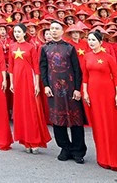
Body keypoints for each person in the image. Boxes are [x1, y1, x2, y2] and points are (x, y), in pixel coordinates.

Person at [81, 30, 117, 171]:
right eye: (89, 40)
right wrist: (85, 92)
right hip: (93, 93)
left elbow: (116, 77)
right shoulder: (87, 57)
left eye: (93, 40)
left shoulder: (108, 57)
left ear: (100, 42)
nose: (91, 43)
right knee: (98, 125)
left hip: (108, 93)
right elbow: (85, 76)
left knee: (111, 125)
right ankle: (103, 158)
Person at [39, 21, 87, 164]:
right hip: (54, 89)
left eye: (57, 29)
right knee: (57, 120)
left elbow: (77, 69)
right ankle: (65, 148)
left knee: (76, 120)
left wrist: (78, 88)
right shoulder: (44, 49)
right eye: (52, 29)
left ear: (62, 31)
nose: (54, 31)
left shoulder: (70, 48)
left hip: (71, 89)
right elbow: (43, 68)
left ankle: (78, 151)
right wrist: (46, 86)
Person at [6, 24, 48, 152]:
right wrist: (12, 83)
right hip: (17, 81)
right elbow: (11, 68)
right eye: (15, 32)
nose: (17, 34)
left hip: (28, 79)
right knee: (21, 109)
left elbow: (36, 67)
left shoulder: (31, 47)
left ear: (25, 33)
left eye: (19, 32)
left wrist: (36, 84)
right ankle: (25, 140)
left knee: (31, 110)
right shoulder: (12, 47)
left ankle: (34, 140)